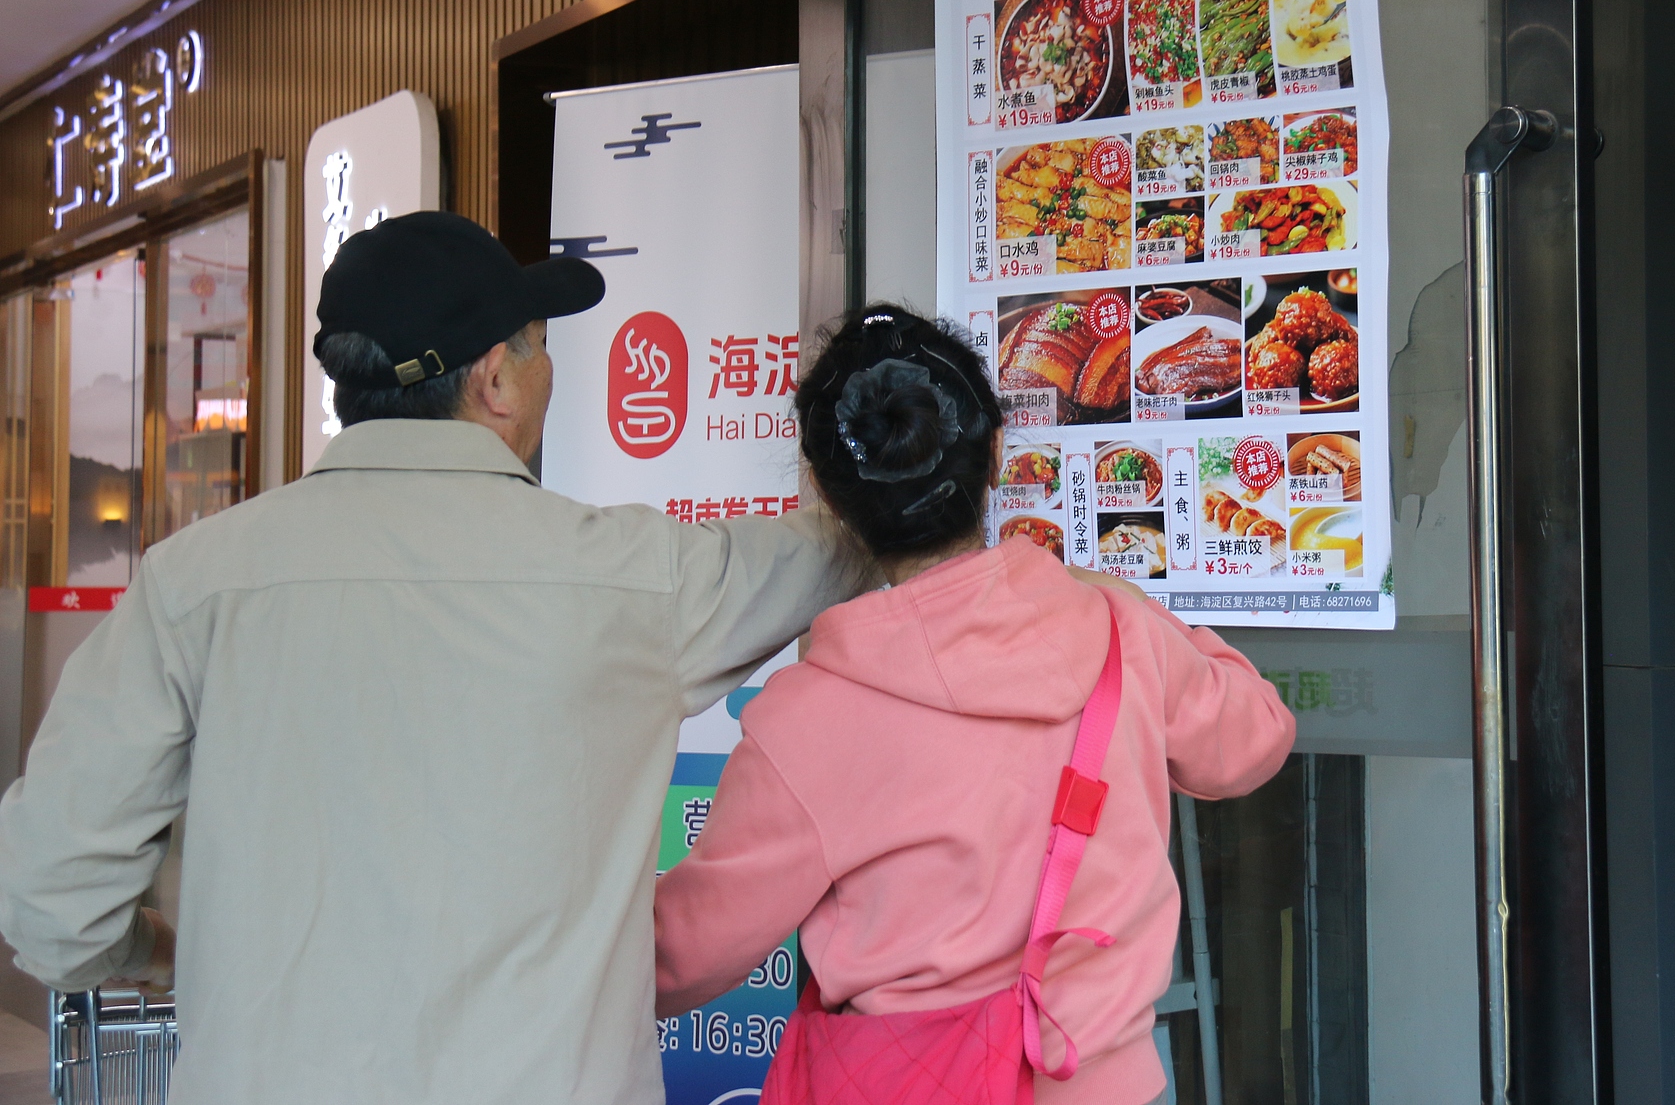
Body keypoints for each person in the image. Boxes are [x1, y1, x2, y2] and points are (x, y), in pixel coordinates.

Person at [0, 211, 874, 1104]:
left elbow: (51, 896)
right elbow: (841, 546)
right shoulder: (635, 579)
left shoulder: (196, 582)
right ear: (496, 378)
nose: (547, 371)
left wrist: (158, 951)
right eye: (538, 346)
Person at [651, 305, 1296, 1103]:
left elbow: (676, 956)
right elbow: (1257, 735)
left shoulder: (801, 720)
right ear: (997, 452)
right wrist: (1131, 598)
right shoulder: (1119, 630)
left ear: (824, 491)